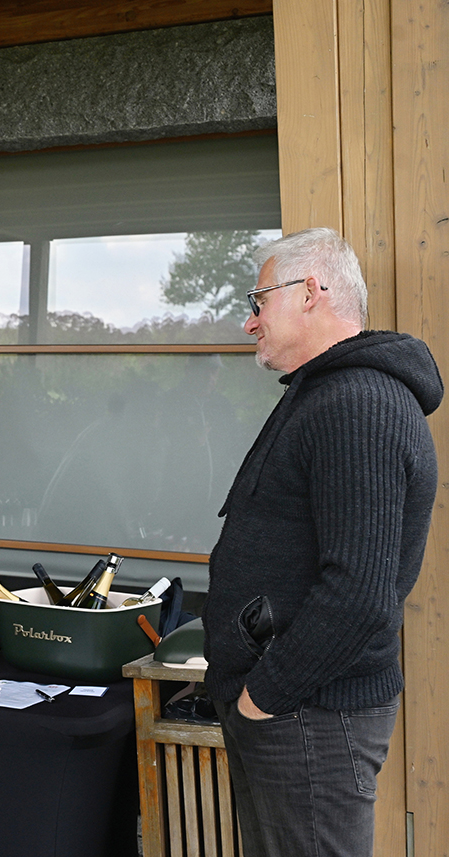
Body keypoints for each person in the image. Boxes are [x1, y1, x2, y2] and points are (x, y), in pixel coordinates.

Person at [204, 227, 441, 857]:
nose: (250, 323)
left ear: (310, 291)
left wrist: (264, 697)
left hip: (309, 712)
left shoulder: (357, 402)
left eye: (259, 302)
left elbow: (359, 593)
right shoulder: (326, 394)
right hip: (294, 709)